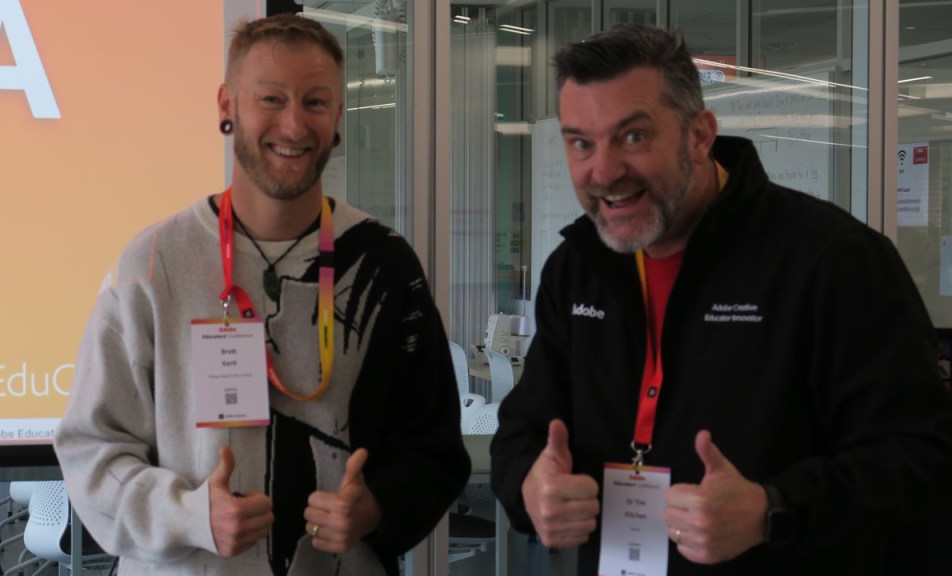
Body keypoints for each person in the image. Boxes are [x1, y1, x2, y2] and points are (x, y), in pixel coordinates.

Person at [489, 24, 952, 575]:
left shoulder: (832, 260)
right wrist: (529, 485)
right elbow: (523, 430)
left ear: (699, 135)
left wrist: (773, 510)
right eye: (581, 144)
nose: (604, 171)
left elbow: (922, 461)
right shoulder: (578, 268)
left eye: (633, 137)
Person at [54, 14, 469, 576]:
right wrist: (188, 515)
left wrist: (375, 509)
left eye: (315, 102)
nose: (294, 126)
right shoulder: (152, 265)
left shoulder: (384, 263)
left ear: (338, 117)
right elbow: (91, 451)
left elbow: (434, 451)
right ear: (227, 106)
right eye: (271, 99)